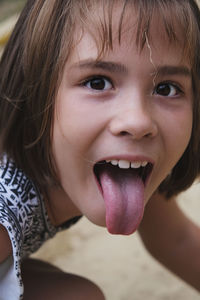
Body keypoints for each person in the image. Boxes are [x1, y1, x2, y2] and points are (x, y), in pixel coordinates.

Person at [0, 0, 200, 299]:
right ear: (36, 91)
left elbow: (176, 240)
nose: (138, 121)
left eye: (166, 88)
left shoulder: (128, 162)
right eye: (97, 82)